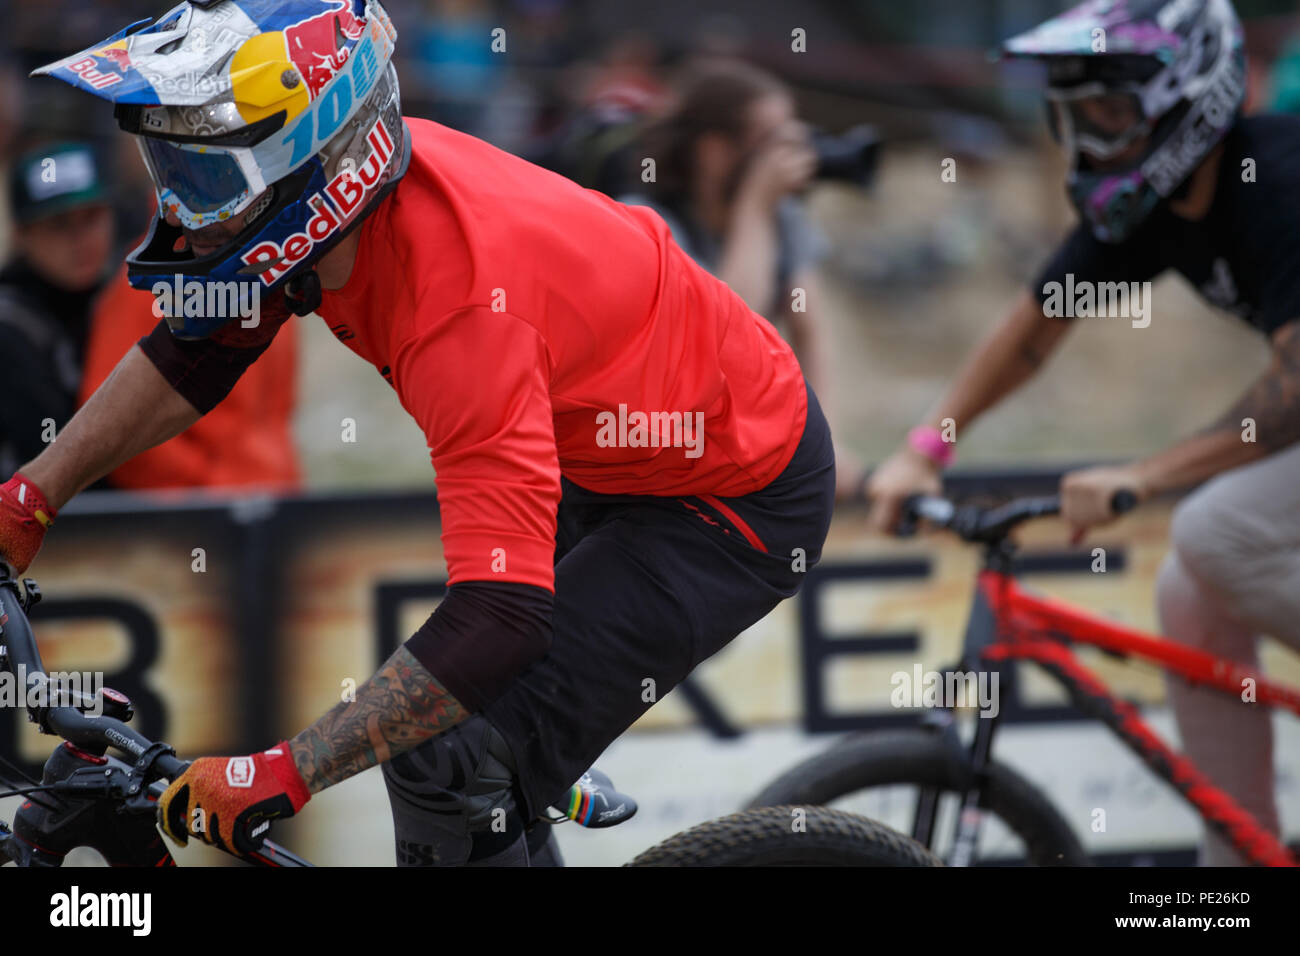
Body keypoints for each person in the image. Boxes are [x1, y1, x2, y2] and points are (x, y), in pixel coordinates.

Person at [0, 0, 834, 866]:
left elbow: (500, 615)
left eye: (205, 180)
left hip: (732, 491)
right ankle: (530, 768)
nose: (182, 210)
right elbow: (195, 351)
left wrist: (284, 771)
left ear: (302, 171)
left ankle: (522, 764)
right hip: (618, 426)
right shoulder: (338, 204)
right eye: (169, 173)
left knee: (443, 746)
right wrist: (31, 496)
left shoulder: (462, 317)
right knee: (454, 714)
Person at [867, 0, 1300, 866]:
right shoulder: (1154, 206)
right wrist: (927, 448)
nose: (1091, 139)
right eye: (1076, 115)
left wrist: (1144, 473)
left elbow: (1295, 388)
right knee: (1189, 591)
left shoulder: (1277, 180)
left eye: (1110, 111)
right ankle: (1244, 868)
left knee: (1215, 528)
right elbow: (1032, 332)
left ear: (1186, 95)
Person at [619, 59, 864, 500]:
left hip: (736, 450)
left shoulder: (780, 216)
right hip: (659, 451)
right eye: (771, 139)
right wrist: (754, 204)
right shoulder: (646, 222)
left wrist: (826, 445)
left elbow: (811, 336)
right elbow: (727, 334)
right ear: (714, 150)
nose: (787, 155)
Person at [77, 260, 302, 493]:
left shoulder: (272, 275)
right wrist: (208, 484)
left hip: (270, 497)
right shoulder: (142, 285)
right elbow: (110, 427)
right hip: (192, 509)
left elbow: (278, 410)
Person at [0, 141, 115, 482]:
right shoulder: (9, 329)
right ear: (22, 235)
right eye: (60, 224)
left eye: (92, 217)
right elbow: (51, 461)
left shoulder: (120, 300)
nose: (81, 238)